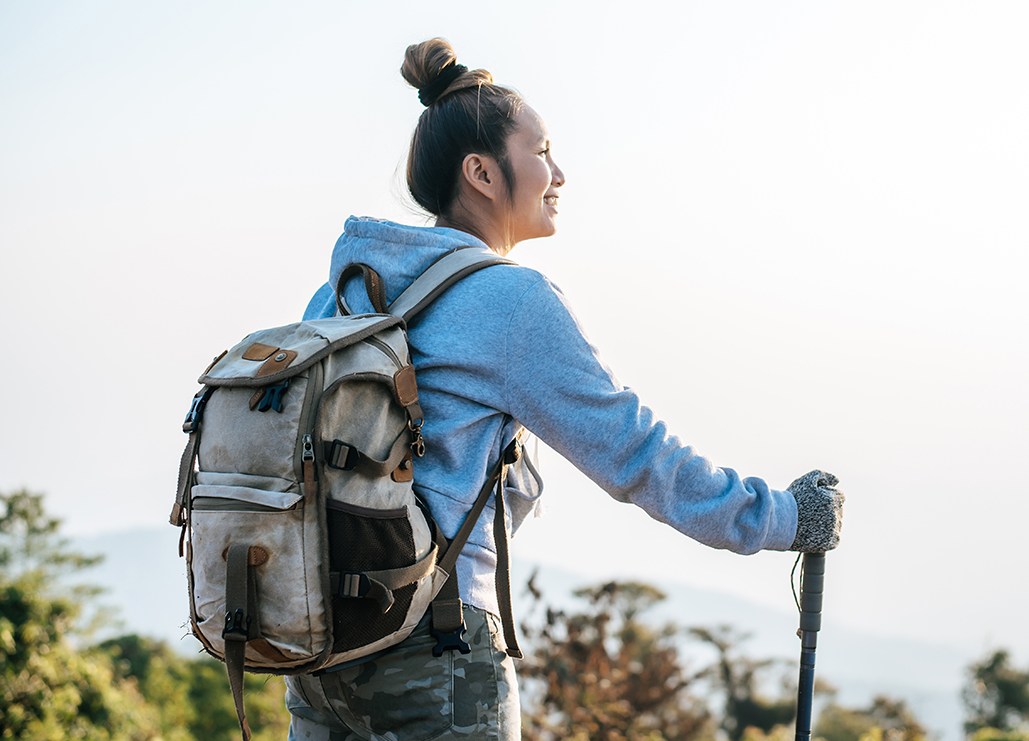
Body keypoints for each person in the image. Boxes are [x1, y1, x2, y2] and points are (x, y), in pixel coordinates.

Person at [284, 37, 845, 741]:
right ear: (482, 173)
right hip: (436, 648)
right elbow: (639, 457)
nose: (560, 173)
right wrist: (787, 518)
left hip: (318, 644)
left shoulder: (343, 291)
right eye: (542, 151)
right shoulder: (511, 302)